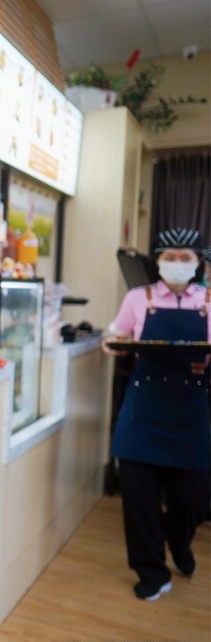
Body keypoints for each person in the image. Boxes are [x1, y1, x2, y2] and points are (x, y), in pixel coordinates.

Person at [103, 227, 211, 600]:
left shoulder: (209, 300)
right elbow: (116, 333)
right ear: (158, 261)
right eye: (170, 257)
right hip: (143, 410)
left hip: (192, 410)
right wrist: (111, 342)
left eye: (186, 257)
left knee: (193, 497)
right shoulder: (139, 298)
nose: (177, 264)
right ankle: (152, 570)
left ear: (199, 261)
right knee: (139, 497)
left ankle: (179, 544)